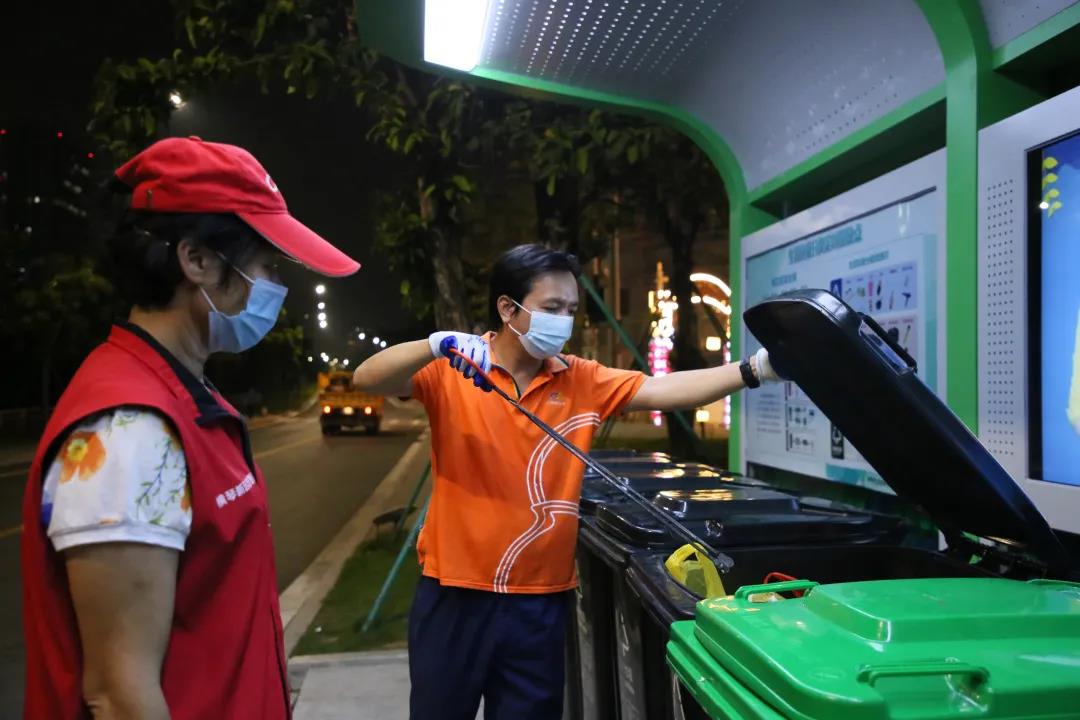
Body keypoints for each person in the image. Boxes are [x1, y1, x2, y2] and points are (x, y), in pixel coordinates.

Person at [352, 244, 779, 719]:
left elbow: (663, 389)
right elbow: (367, 379)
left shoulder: (580, 379)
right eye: (552, 307)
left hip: (540, 601)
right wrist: (434, 344)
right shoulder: (453, 368)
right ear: (508, 309)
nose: (564, 321)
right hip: (455, 593)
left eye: (571, 310)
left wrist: (754, 370)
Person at [21, 136, 361, 719]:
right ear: (197, 260)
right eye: (266, 266)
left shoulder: (186, 396)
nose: (274, 287)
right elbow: (120, 695)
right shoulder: (129, 432)